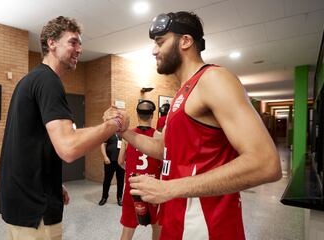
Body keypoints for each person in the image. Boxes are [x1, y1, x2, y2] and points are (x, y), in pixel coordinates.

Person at [117, 11, 282, 239]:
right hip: (176, 221)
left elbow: (266, 164)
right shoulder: (182, 93)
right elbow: (165, 150)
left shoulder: (214, 79)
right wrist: (124, 132)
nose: (154, 50)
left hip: (207, 227)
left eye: (160, 42)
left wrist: (170, 188)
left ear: (185, 41)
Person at [0, 16, 124, 240]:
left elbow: (32, 144)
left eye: (80, 44)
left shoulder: (31, 80)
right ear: (52, 43)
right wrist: (114, 124)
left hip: (24, 199)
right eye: (73, 42)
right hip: (35, 208)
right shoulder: (48, 81)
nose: (79, 49)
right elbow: (69, 148)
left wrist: (55, 184)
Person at [118, 100, 162, 240]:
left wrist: (130, 170)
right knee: (157, 227)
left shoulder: (128, 135)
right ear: (152, 115)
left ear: (137, 114)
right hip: (152, 187)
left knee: (127, 230)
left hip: (133, 186)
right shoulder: (158, 137)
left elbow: (120, 161)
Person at [98, 134, 125, 206]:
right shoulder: (109, 133)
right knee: (107, 180)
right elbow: (102, 145)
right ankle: (104, 197)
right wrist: (105, 157)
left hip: (121, 162)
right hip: (109, 161)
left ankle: (119, 198)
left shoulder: (123, 135)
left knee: (121, 181)